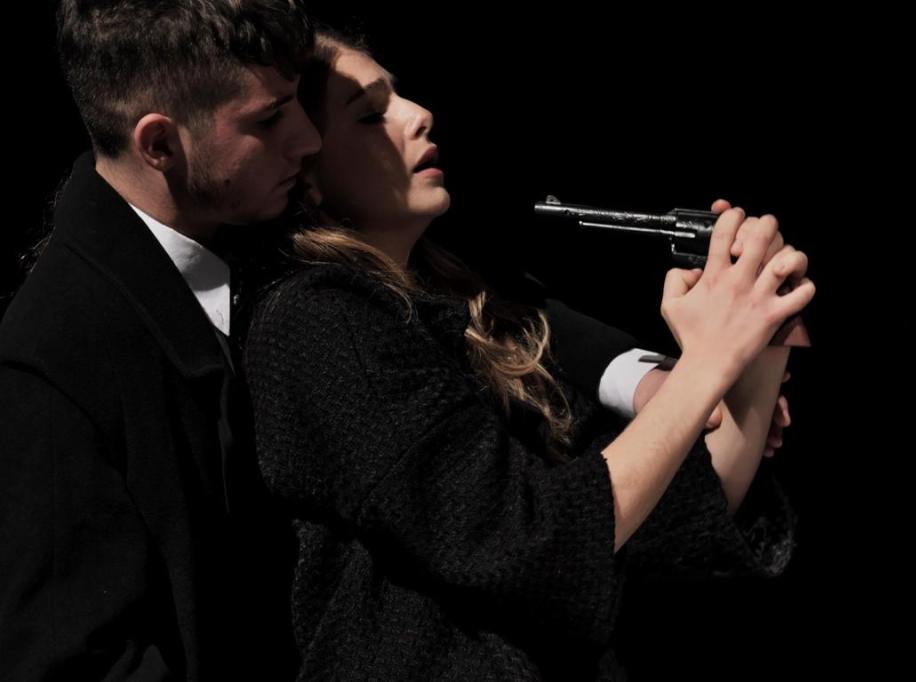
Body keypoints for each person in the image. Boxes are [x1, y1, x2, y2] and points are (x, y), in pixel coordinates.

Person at [241, 30, 815, 680]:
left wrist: (761, 324)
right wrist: (708, 363)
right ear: (306, 171)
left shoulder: (482, 315)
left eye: (400, 95)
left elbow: (663, 522)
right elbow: (524, 541)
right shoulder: (319, 321)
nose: (419, 114)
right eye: (372, 114)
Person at [0, 2, 322, 679]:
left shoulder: (258, 232)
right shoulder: (54, 354)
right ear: (160, 145)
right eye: (269, 120)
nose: (308, 138)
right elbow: (73, 660)